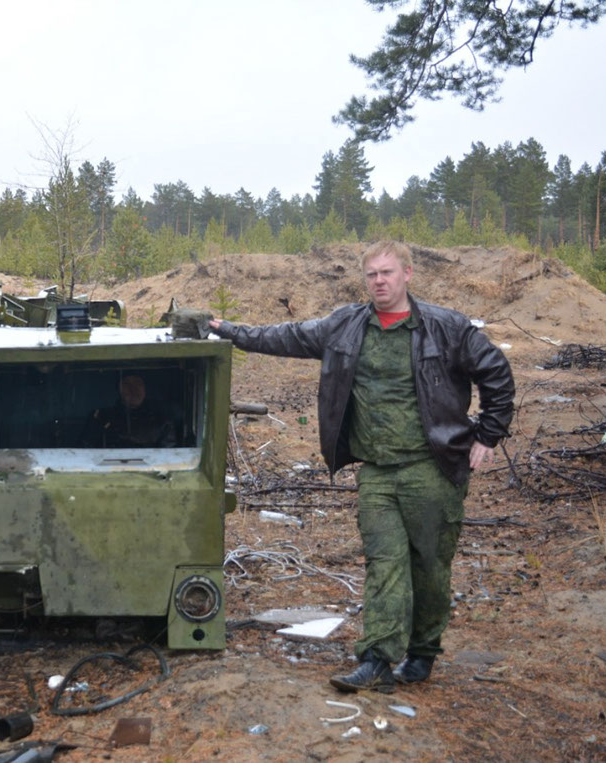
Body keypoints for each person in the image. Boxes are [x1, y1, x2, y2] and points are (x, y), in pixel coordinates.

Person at [209, 241, 514, 693]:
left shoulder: (446, 328)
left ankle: (423, 651)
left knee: (430, 568)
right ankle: (377, 660)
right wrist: (228, 330)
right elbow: (286, 336)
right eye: (372, 274)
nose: (379, 281)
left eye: (387, 272)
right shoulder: (346, 326)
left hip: (432, 469)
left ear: (408, 273)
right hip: (376, 471)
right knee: (384, 562)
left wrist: (488, 434)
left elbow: (496, 372)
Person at [82, 374, 177, 448]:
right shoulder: (100, 417)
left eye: (138, 383)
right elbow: (84, 450)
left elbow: (169, 456)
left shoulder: (162, 419)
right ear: (119, 389)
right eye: (126, 384)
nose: (133, 389)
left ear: (145, 388)